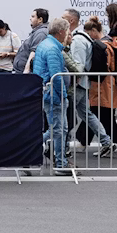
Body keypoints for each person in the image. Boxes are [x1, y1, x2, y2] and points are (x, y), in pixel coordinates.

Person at [68, 11, 115, 154]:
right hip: (83, 83)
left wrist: (74, 81)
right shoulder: (84, 39)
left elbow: (78, 65)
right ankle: (106, 142)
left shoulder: (78, 40)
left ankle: (62, 147)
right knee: (86, 114)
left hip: (78, 84)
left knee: (68, 115)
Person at [34, 16, 71, 174]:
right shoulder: (53, 49)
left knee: (57, 129)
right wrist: (63, 95)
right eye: (67, 31)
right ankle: (60, 164)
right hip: (53, 95)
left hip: (48, 93)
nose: (68, 34)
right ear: (61, 32)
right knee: (59, 130)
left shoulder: (46, 45)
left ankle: (60, 162)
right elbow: (56, 75)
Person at [84, 17, 117, 151]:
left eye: (89, 33)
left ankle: (84, 140)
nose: (89, 36)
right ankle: (114, 142)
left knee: (95, 113)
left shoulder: (100, 46)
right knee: (104, 114)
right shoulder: (112, 42)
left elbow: (98, 68)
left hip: (101, 84)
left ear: (94, 31)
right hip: (110, 81)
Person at [16, 9, 50, 74]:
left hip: (27, 73)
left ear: (40, 19)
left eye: (33, 16)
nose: (30, 19)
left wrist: (27, 69)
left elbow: (34, 51)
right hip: (21, 71)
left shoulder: (41, 33)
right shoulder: (36, 32)